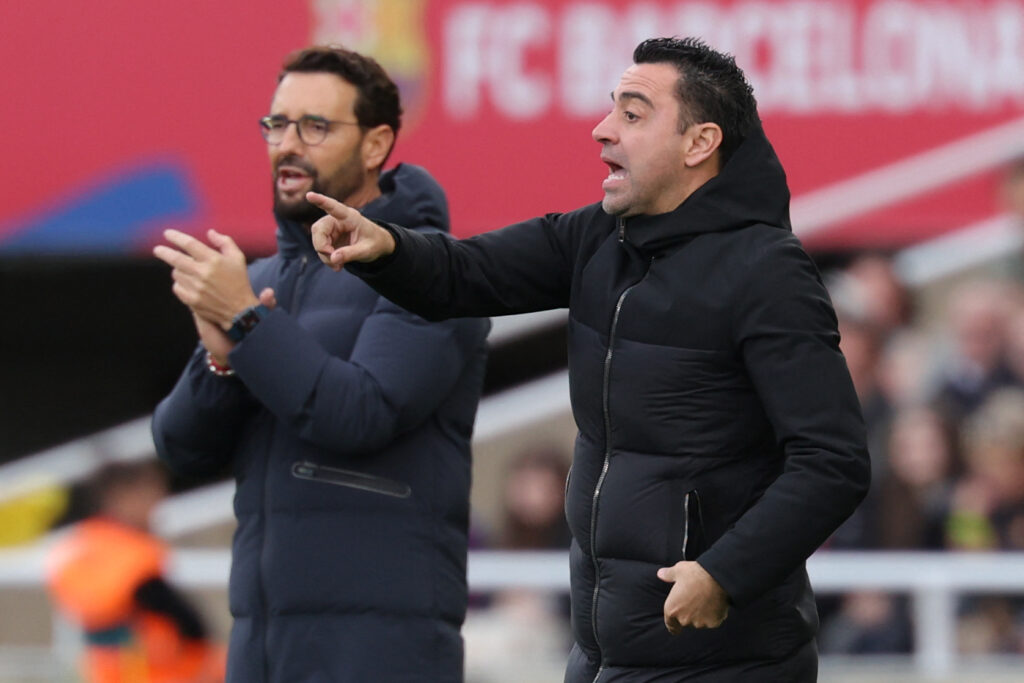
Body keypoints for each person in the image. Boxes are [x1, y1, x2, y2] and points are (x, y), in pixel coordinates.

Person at [308, 37, 871, 680]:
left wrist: (725, 573)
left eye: (632, 114)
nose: (602, 130)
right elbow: (465, 274)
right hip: (603, 658)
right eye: (612, 110)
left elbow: (834, 461)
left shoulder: (769, 273)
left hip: (724, 662)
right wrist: (386, 248)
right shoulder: (598, 237)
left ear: (699, 143)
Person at [150, 46, 490, 682]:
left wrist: (250, 324)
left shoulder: (434, 275)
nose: (288, 145)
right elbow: (178, 450)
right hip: (261, 648)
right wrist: (221, 363)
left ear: (375, 143)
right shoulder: (259, 281)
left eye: (316, 126)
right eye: (277, 124)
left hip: (378, 654)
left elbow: (360, 414)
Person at [47, 461, 224, 683]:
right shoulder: (124, 552)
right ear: (119, 497)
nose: (155, 507)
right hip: (154, 672)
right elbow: (182, 618)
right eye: (148, 497)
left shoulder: (81, 546)